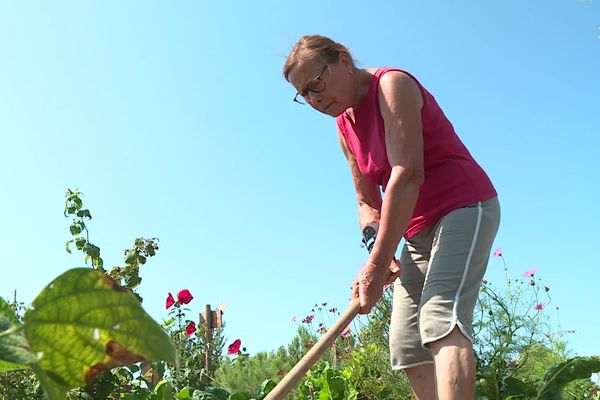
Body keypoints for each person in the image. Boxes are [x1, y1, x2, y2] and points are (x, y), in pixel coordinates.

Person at [283, 35, 500, 400]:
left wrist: (378, 262)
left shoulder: (392, 84)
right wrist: (376, 252)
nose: (315, 98)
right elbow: (367, 204)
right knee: (407, 343)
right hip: (415, 232)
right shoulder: (344, 129)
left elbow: (407, 173)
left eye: (316, 82)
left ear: (343, 60)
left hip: (463, 206)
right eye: (304, 94)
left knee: (440, 316)